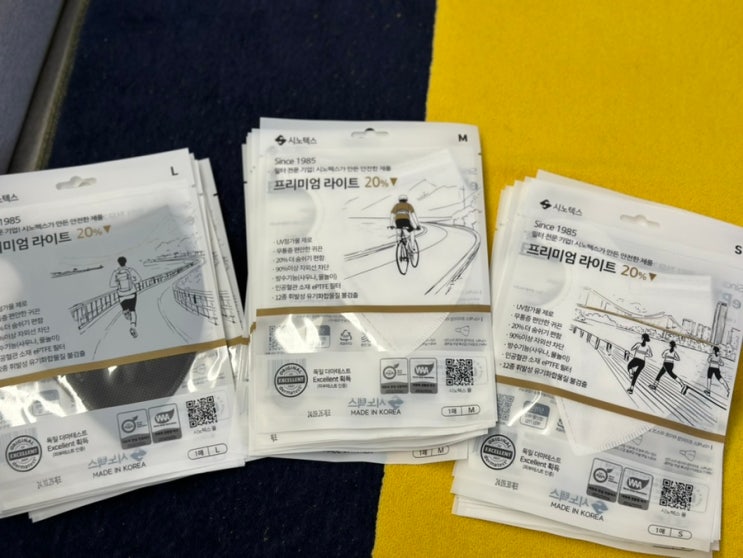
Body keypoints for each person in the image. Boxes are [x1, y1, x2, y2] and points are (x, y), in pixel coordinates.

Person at [109, 256, 142, 338]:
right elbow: (139, 279)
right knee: (132, 310)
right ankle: (132, 326)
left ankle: (125, 311)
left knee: (126, 311)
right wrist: (131, 281)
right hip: (132, 293)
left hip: (121, 295)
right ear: (125, 262)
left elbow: (111, 285)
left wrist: (118, 284)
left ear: (118, 263)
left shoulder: (116, 272)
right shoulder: (130, 270)